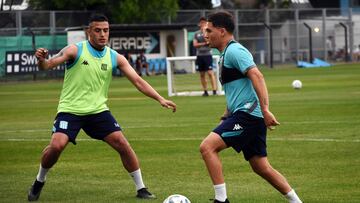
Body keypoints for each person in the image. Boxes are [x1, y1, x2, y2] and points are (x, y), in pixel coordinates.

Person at [28, 14, 176, 201]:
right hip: (70, 110)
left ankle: (141, 188)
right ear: (88, 31)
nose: (102, 34)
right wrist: (41, 60)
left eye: (105, 30)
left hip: (98, 111)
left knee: (123, 144)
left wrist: (160, 99)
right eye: (97, 30)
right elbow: (47, 65)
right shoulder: (75, 50)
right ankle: (39, 181)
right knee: (56, 146)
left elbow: (138, 81)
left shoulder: (115, 57)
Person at [199, 11, 302, 203]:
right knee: (260, 166)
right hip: (243, 113)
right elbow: (238, 89)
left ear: (221, 31)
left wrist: (265, 110)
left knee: (207, 148)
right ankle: (296, 201)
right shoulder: (224, 54)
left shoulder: (235, 51)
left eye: (209, 30)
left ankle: (221, 200)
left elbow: (257, 76)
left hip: (249, 114)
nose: (205, 34)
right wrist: (226, 115)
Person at [193, 17, 217, 96]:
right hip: (200, 55)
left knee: (210, 73)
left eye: (204, 22)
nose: (203, 24)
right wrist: (203, 44)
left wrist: (204, 32)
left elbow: (208, 42)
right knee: (202, 74)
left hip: (208, 55)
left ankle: (214, 90)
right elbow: (195, 44)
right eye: (201, 23)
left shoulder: (208, 32)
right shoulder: (196, 33)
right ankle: (205, 91)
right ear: (199, 24)